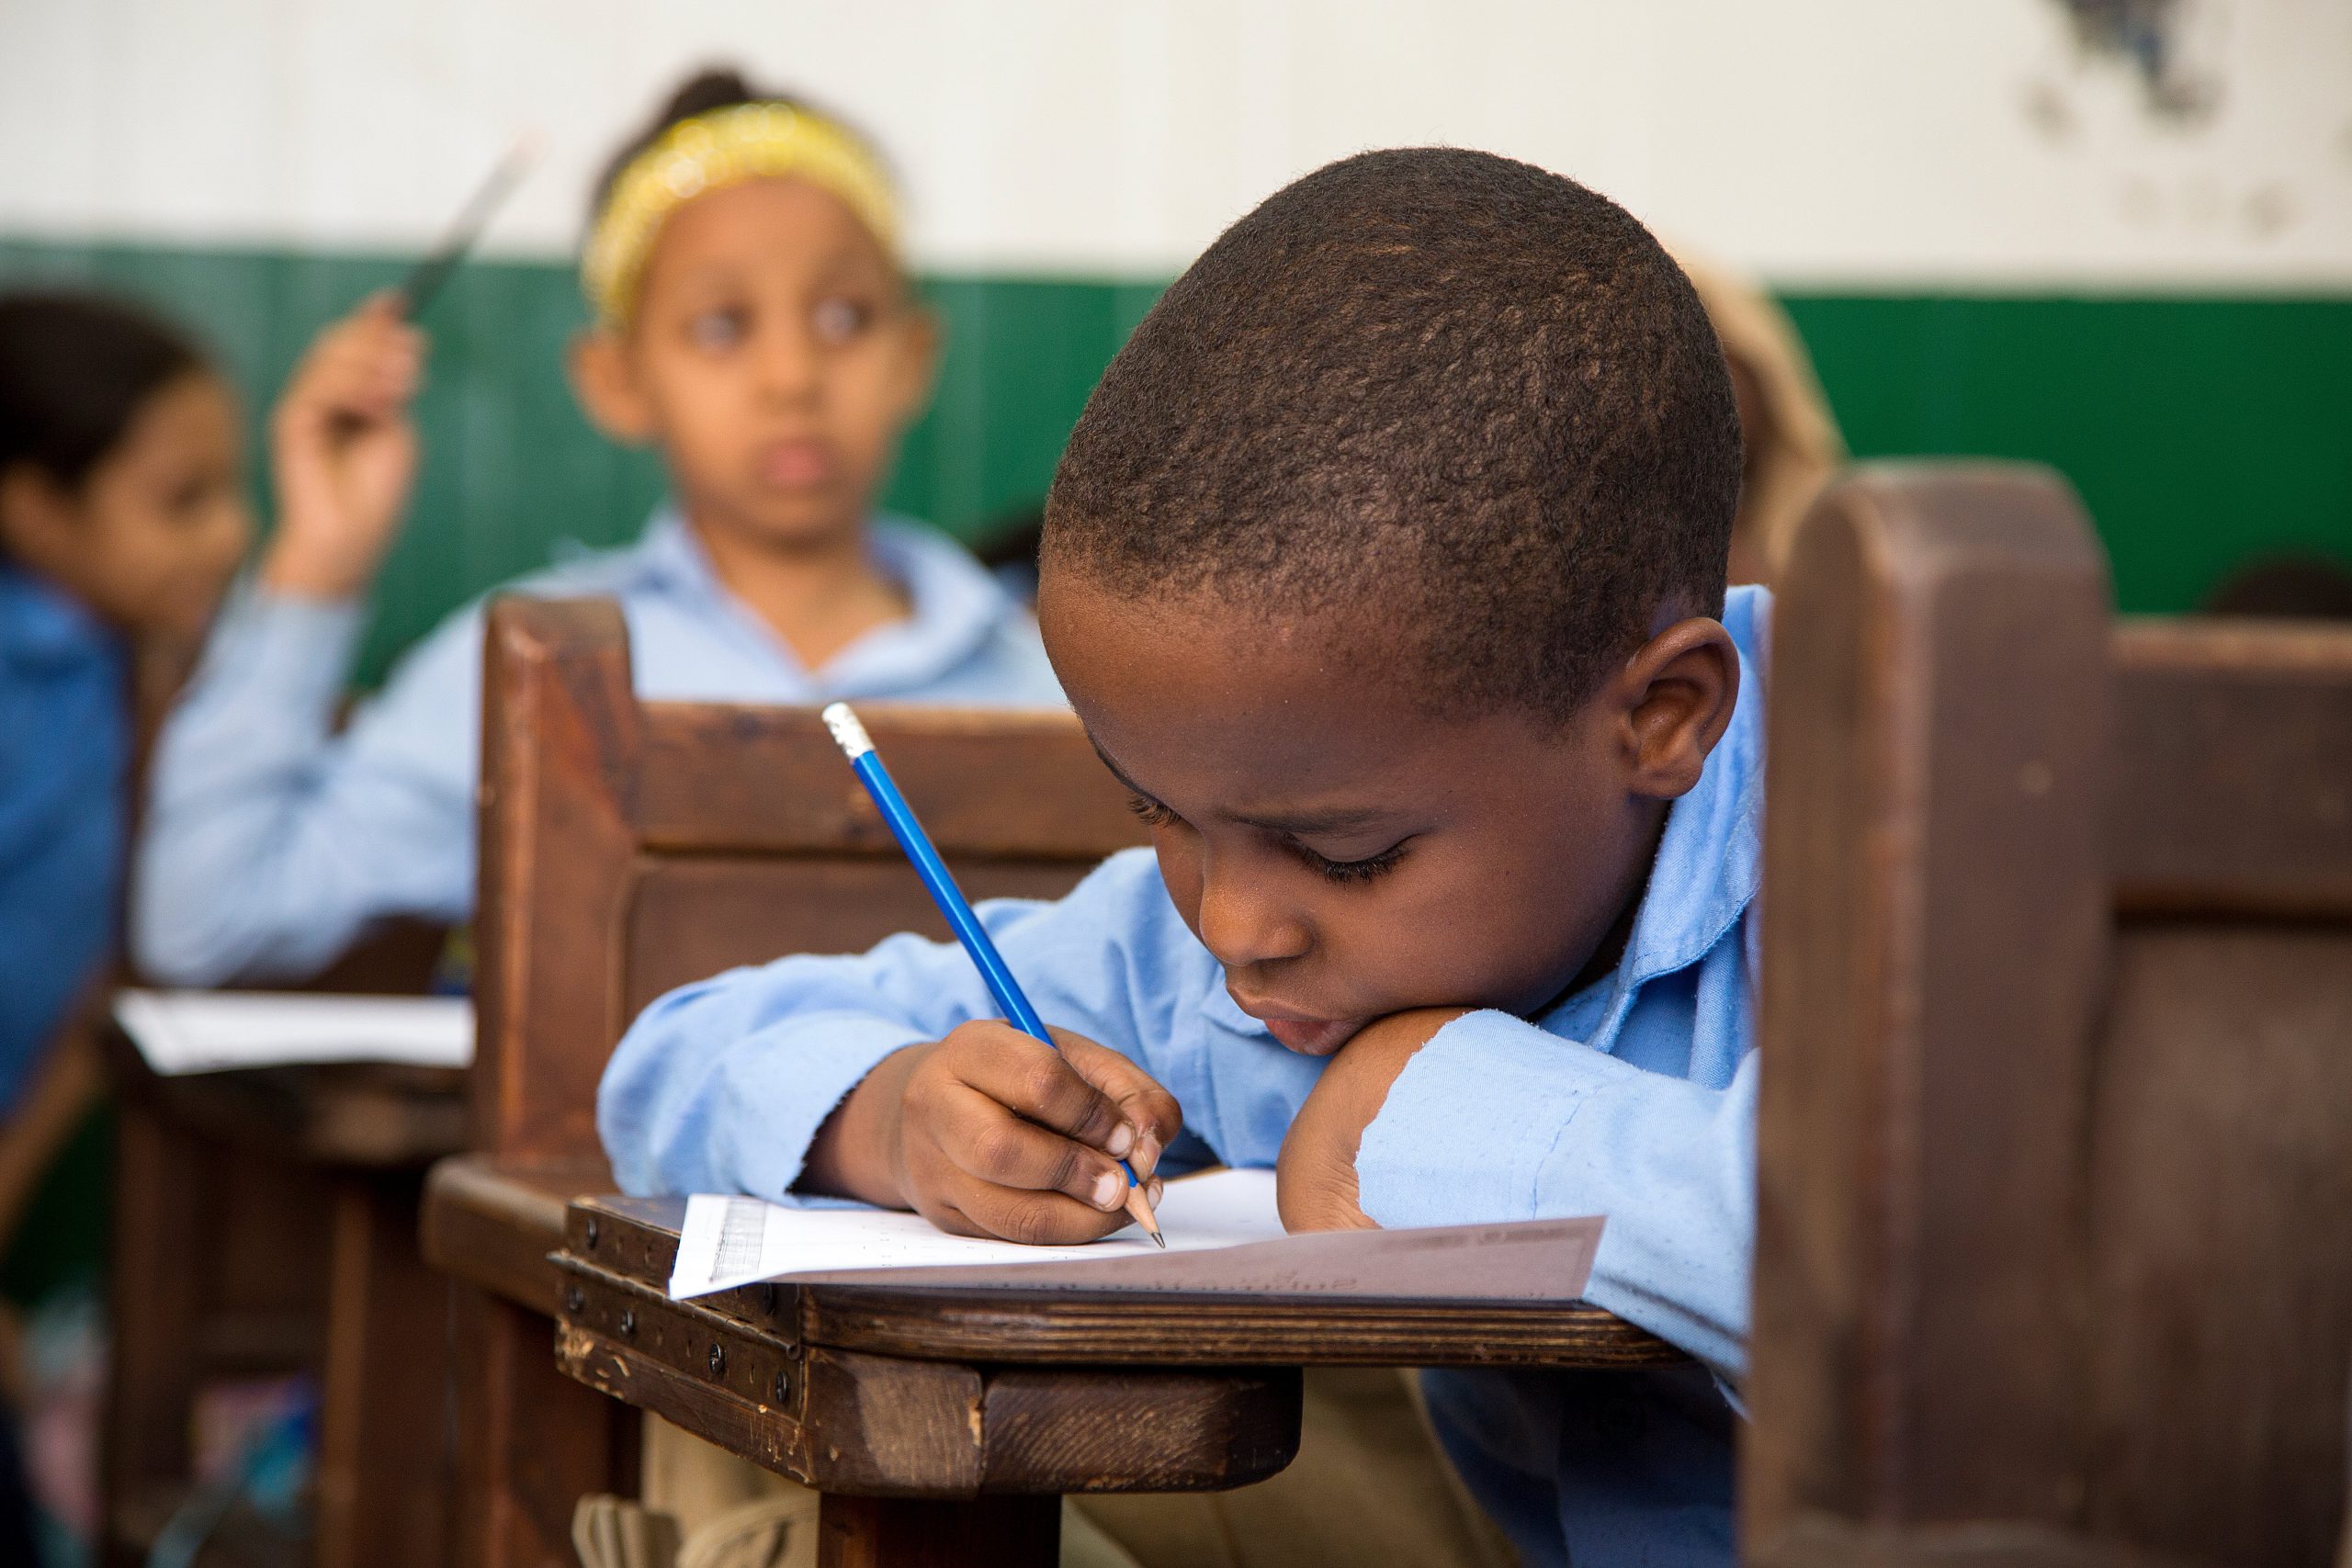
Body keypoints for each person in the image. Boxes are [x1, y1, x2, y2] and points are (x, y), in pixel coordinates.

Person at [602, 149, 1759, 1567]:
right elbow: (678, 1053)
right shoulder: (1227, 949)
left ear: (1662, 716)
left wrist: (1447, 1103)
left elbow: (1955, 1294)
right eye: (1153, 811)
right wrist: (895, 1113)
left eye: (1347, 853)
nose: (1231, 925)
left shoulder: (1909, 853)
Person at [133, 68, 1064, 987]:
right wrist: (317, 565)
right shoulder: (529, 672)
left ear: (913, 357)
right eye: (719, 326)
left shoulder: (1039, 675)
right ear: (616, 380)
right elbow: (205, 925)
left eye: (841, 316)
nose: (791, 376)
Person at [0, 288, 253, 1563]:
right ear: (34, 507)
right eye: (182, 498)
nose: (231, 532)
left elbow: (106, 982)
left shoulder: (121, 670)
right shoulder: (26, 677)